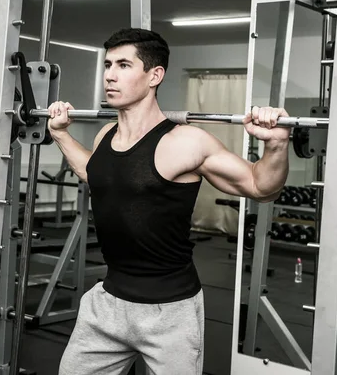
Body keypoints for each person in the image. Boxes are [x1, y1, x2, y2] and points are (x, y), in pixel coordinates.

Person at [46, 28, 291, 375]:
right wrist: (60, 134)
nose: (110, 75)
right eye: (108, 65)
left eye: (124, 65)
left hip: (170, 311)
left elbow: (260, 186)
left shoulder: (186, 142)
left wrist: (277, 145)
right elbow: (96, 173)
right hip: (107, 302)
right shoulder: (105, 136)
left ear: (154, 76)